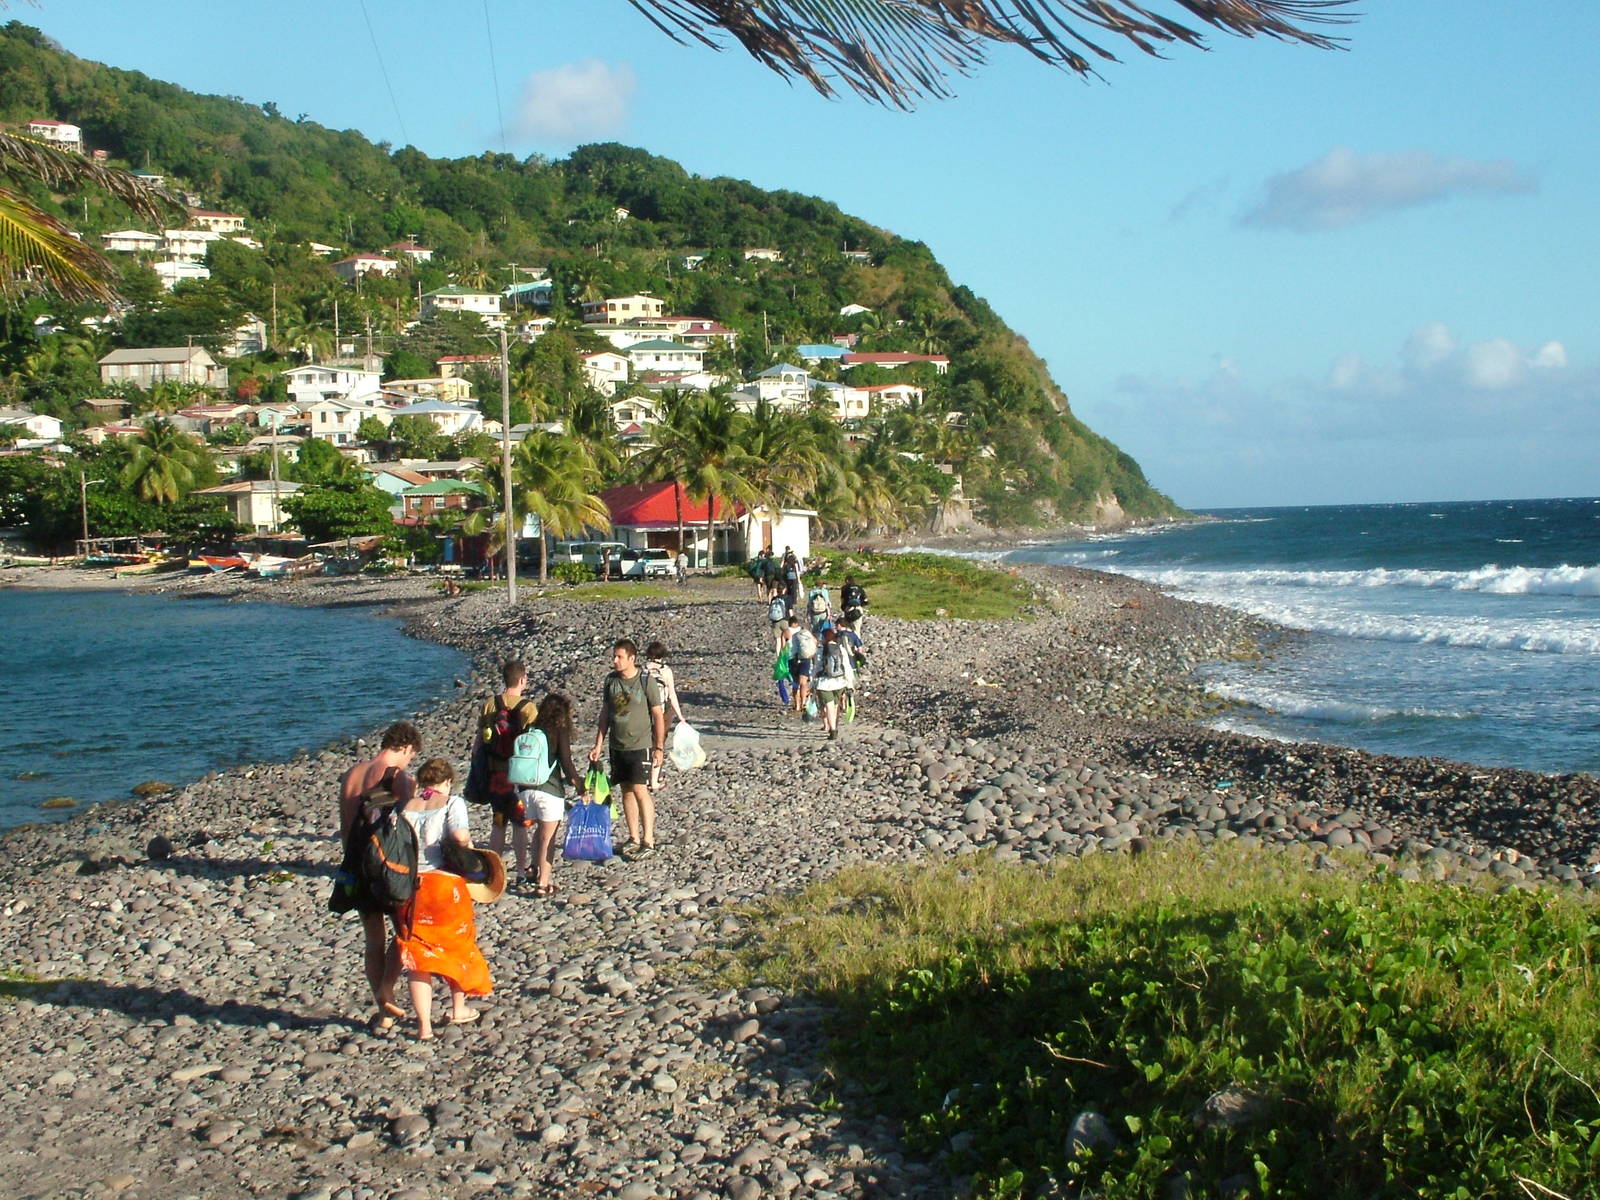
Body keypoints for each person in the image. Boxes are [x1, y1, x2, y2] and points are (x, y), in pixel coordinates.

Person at [394, 758, 495, 1041]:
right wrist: (471, 851)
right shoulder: (452, 802)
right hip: (443, 883)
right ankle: (458, 1008)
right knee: (457, 944)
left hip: (411, 886)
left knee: (418, 955)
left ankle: (424, 1027)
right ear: (447, 781)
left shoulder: (405, 806)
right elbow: (460, 837)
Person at [337, 720, 421, 1027]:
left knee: (373, 939)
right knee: (404, 933)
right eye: (411, 755)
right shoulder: (399, 777)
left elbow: (345, 827)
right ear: (406, 748)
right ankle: (387, 989)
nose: (409, 760)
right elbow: (407, 823)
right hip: (388, 866)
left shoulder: (352, 774)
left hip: (355, 863)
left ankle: (384, 1012)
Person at [590, 639, 667, 859]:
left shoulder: (646, 681)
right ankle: (633, 837)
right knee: (625, 790)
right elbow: (605, 714)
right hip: (617, 745)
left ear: (632, 658)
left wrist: (659, 747)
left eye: (619, 657)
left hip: (640, 744)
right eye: (614, 656)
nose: (615, 660)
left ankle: (648, 840)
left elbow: (658, 715)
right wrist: (598, 744)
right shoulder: (611, 681)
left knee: (640, 789)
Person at [520, 693, 584, 898]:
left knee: (540, 831)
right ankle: (543, 883)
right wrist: (580, 787)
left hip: (526, 789)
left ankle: (533, 868)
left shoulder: (530, 729)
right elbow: (566, 763)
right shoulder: (559, 730)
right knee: (548, 837)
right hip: (549, 790)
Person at [478, 661, 537, 879]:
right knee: (520, 824)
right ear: (522, 679)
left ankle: (495, 872)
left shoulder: (490, 704)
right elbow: (535, 742)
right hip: (519, 773)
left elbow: (479, 740)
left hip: (496, 772)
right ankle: (520, 871)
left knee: (498, 821)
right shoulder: (529, 708)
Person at [644, 642, 686, 790]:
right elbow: (672, 694)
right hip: (663, 712)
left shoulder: (642, 670)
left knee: (645, 745)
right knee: (659, 745)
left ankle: (644, 776)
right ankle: (655, 780)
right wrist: (680, 716)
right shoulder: (666, 671)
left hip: (645, 712)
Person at [813, 626, 857, 740]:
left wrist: (812, 683)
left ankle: (832, 729)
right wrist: (850, 684)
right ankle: (835, 726)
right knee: (836, 706)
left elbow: (816, 668)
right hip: (840, 682)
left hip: (824, 683)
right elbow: (847, 667)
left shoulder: (820, 650)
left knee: (829, 706)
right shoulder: (841, 649)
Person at [787, 615, 818, 717]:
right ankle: (804, 703)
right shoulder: (805, 633)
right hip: (805, 658)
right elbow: (815, 642)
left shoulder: (787, 632)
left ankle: (797, 706)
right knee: (804, 682)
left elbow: (782, 647)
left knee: (795, 682)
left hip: (793, 659)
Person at [767, 588, 792, 655]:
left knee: (778, 641)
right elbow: (790, 611)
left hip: (775, 621)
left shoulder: (774, 599)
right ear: (784, 589)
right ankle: (786, 654)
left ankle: (778, 656)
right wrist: (792, 620)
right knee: (787, 639)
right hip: (785, 620)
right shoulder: (788, 598)